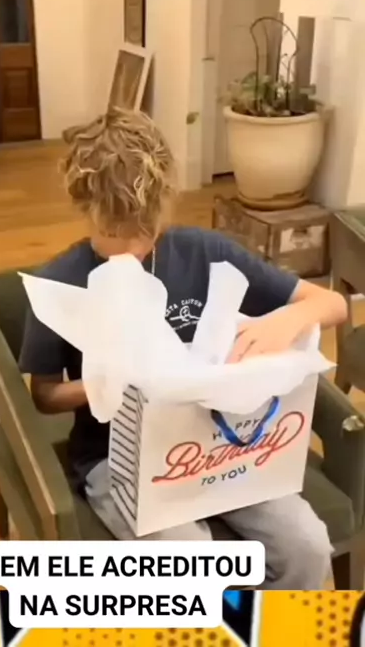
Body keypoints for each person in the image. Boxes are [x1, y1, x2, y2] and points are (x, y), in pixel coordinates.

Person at [19, 108, 346, 589]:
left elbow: (333, 303)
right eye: (113, 232)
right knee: (191, 558)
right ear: (85, 208)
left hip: (221, 444)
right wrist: (106, 385)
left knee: (307, 545)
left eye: (143, 230)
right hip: (118, 458)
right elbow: (44, 395)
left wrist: (289, 319)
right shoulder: (62, 283)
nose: (130, 248)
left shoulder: (204, 253)